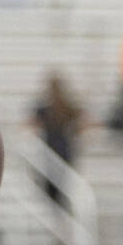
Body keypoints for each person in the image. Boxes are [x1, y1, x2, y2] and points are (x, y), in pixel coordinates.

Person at [28, 72, 85, 205]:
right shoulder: (67, 107)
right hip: (64, 150)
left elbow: (32, 125)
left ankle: (55, 206)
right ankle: (59, 206)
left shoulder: (46, 109)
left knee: (50, 185)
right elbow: (82, 122)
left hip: (51, 149)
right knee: (62, 185)